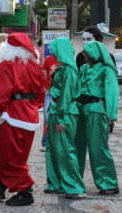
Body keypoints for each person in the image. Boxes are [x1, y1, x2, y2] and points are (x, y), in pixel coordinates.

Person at [0, 32, 45, 206]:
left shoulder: (6, 66)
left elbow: (0, 97)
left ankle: (26, 191)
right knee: (16, 154)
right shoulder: (35, 67)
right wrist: (30, 107)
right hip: (30, 116)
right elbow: (40, 95)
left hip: (12, 116)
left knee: (12, 156)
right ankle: (0, 186)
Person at [44, 37, 86, 199]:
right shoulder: (62, 69)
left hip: (65, 113)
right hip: (57, 110)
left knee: (65, 150)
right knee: (54, 149)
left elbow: (67, 96)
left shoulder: (69, 70)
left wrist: (60, 118)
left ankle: (74, 187)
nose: (52, 51)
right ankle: (56, 184)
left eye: (54, 48)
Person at [76, 41, 119, 195]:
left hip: (96, 108)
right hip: (81, 109)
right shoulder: (84, 68)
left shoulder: (106, 70)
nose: (83, 54)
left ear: (93, 53)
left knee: (98, 146)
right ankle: (74, 182)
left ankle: (108, 183)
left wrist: (112, 115)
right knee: (78, 145)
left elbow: (112, 92)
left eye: (86, 51)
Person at [39, 55, 60, 152]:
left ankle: (58, 143)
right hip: (49, 91)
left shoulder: (65, 58)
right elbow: (43, 74)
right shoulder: (48, 59)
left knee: (60, 118)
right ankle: (45, 142)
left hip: (61, 92)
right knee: (47, 117)